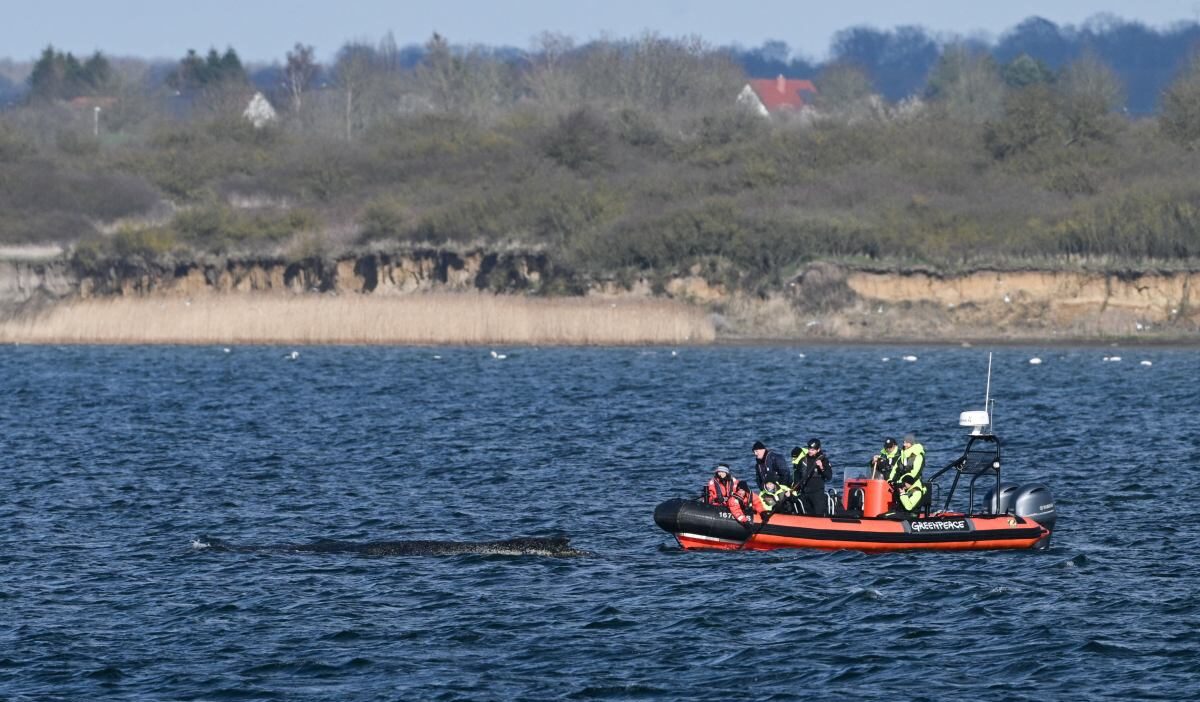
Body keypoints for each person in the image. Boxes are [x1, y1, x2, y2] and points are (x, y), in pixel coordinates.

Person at [791, 438, 834, 516]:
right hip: (805, 492)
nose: (810, 451)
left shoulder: (824, 460)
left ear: (818, 449)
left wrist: (821, 467)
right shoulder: (803, 460)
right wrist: (794, 490)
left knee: (818, 513)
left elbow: (829, 476)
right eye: (809, 449)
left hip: (817, 493)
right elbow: (797, 476)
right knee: (806, 513)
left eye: (813, 450)